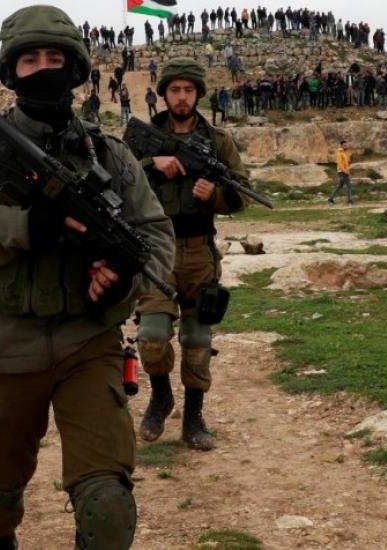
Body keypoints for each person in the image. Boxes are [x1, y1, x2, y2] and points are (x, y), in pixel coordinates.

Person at [0, 6, 175, 548]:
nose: (43, 69)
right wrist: (24, 226)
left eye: (54, 58)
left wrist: (125, 274)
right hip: (5, 344)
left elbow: (155, 237)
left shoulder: (110, 155)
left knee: (108, 509)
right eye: (29, 60)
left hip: (89, 341)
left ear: (75, 68)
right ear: (11, 72)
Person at [128, 57, 249, 453]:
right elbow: (117, 181)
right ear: (163, 94)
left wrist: (214, 195)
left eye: (189, 90)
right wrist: (152, 163)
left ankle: (194, 417)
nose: (182, 97)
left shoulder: (218, 141)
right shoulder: (142, 138)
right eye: (175, 90)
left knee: (197, 340)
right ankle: (161, 396)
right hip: (155, 251)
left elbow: (241, 193)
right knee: (152, 336)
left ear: (198, 94)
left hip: (199, 252)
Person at [328, 140, 352, 206]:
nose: (346, 146)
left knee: (340, 186)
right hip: (342, 172)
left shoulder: (344, 153)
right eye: (344, 145)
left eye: (346, 145)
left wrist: (347, 169)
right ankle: (349, 202)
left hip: (343, 171)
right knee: (348, 186)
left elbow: (345, 163)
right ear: (341, 146)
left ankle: (331, 199)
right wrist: (345, 171)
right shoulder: (339, 153)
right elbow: (340, 164)